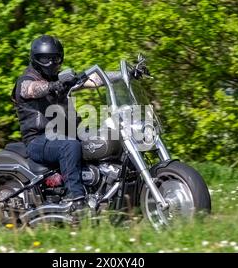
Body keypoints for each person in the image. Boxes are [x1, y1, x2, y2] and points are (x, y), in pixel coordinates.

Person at [11, 34, 146, 212]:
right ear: (35, 59)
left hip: (68, 133)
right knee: (70, 146)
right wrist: (52, 86)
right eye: (46, 58)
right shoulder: (25, 81)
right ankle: (75, 198)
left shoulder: (59, 80)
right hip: (38, 140)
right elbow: (32, 90)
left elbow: (95, 80)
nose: (51, 63)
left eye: (55, 58)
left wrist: (126, 74)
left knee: (109, 135)